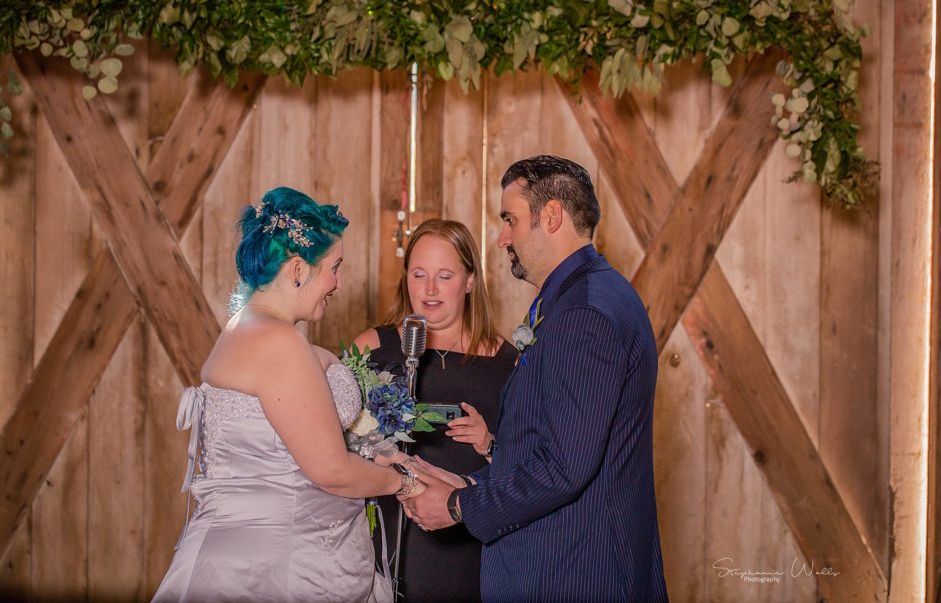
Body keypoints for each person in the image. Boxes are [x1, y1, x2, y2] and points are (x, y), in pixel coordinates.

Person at [403, 156, 669, 602]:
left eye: (510, 219)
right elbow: (554, 445)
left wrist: (457, 506)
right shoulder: (585, 296)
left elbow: (564, 468)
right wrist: (470, 483)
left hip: (572, 574)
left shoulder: (584, 312)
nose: (503, 237)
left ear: (550, 216)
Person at [152, 187, 423, 603]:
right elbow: (330, 470)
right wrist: (403, 484)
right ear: (298, 269)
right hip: (277, 570)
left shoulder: (242, 327)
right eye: (335, 268)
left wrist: (376, 452)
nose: (339, 283)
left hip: (251, 556)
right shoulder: (280, 343)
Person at [351, 219, 518, 602]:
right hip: (385, 541)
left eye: (444, 276)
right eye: (418, 274)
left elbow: (531, 470)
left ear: (470, 281)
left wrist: (489, 443)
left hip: (470, 551)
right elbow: (327, 439)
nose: (428, 290)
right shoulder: (373, 347)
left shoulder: (507, 364)